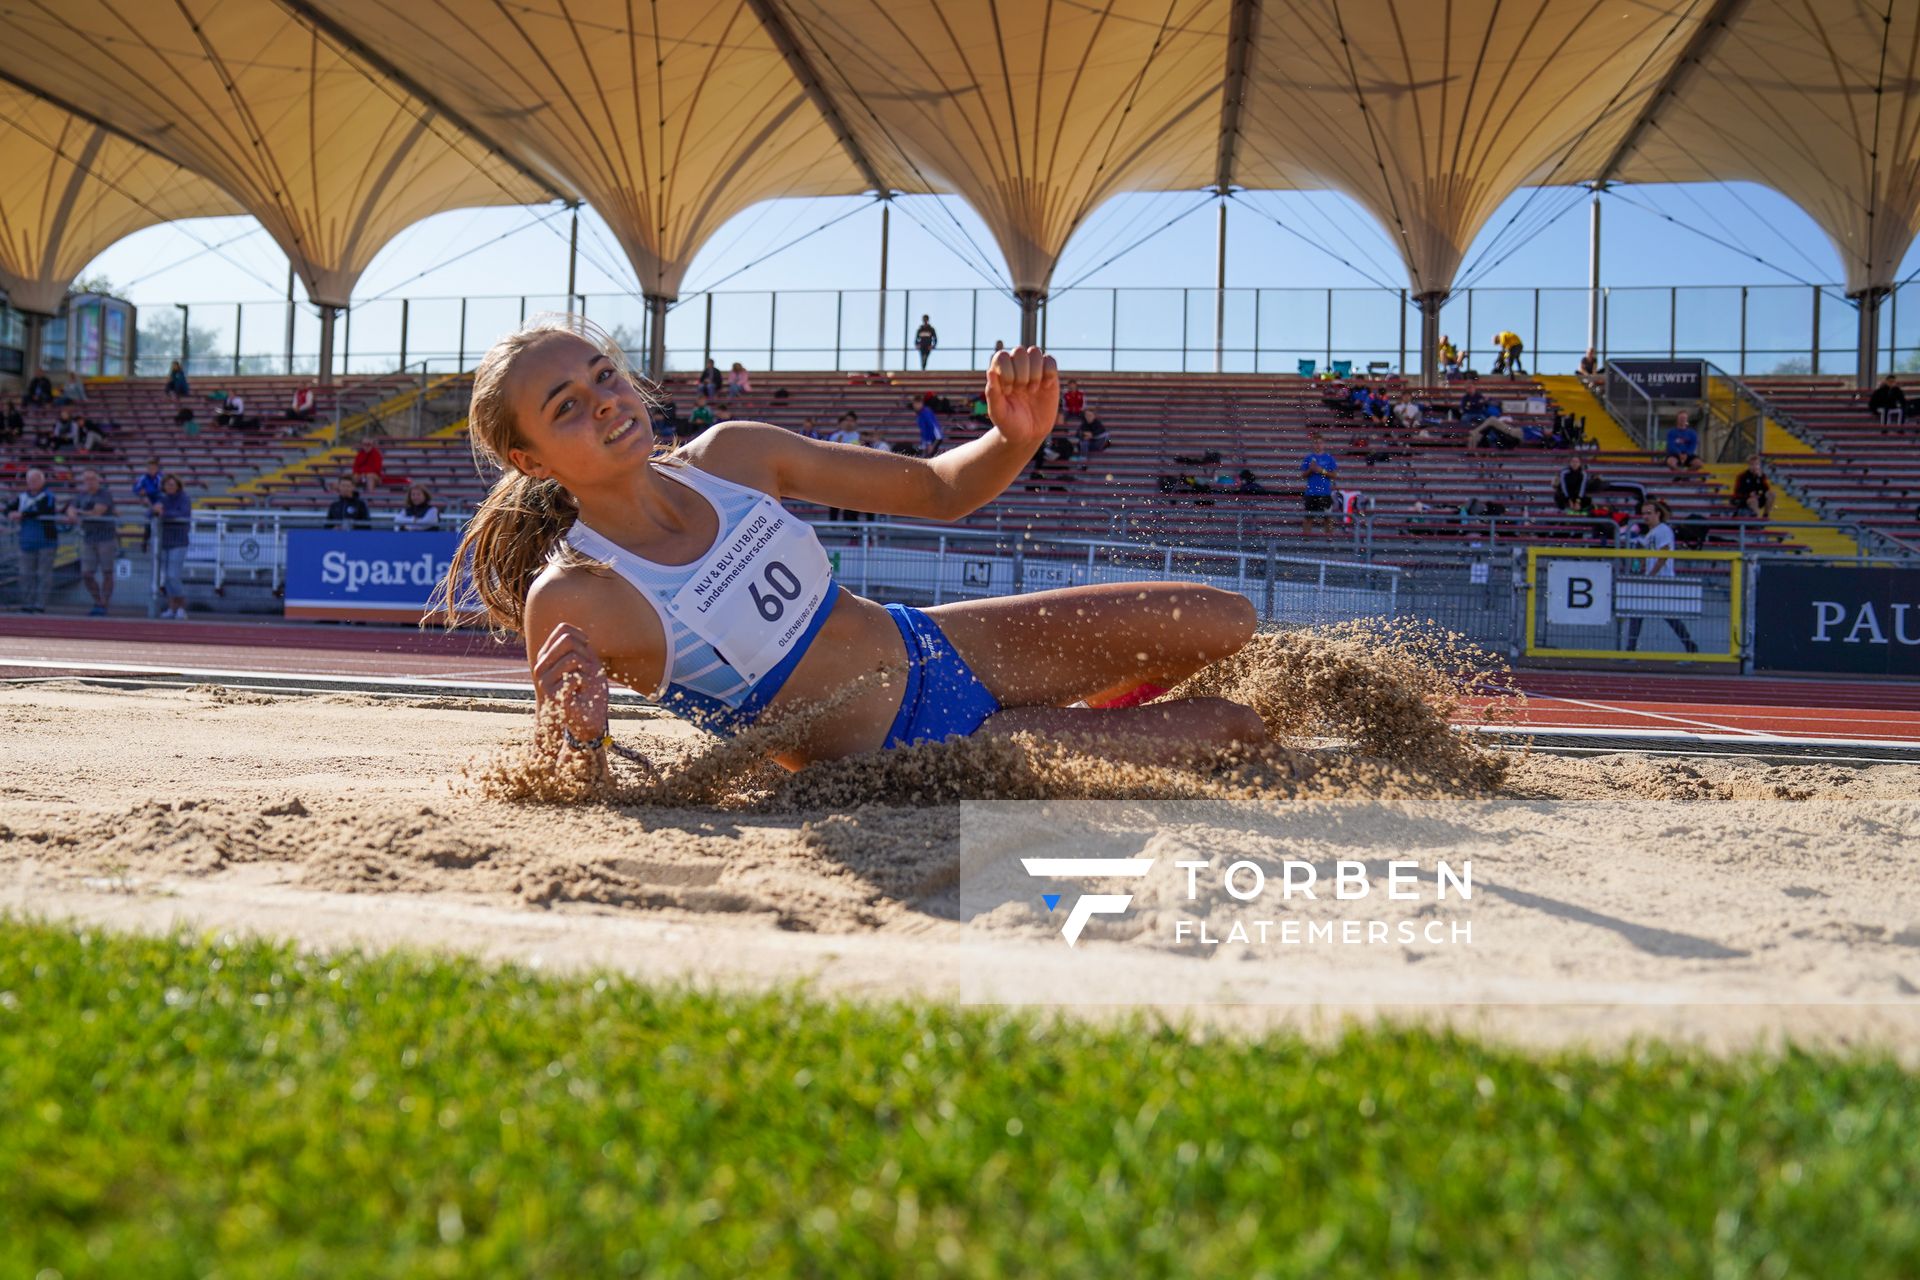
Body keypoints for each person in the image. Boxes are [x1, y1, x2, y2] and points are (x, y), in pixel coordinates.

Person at [433, 315, 1265, 779]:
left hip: (938, 645)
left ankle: (1075, 714)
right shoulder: (576, 596)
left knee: (1225, 618)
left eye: (603, 374)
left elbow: (938, 489)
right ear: (530, 460)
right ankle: (1051, 731)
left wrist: (1014, 439)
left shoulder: (733, 456)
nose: (606, 402)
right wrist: (579, 738)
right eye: (567, 406)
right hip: (913, 755)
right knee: (1233, 728)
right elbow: (566, 777)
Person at [1621, 499, 1698, 654]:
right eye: (1643, 513)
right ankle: (1630, 649)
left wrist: (1651, 575)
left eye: (1649, 513)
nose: (1645, 516)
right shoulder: (1651, 533)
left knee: (1667, 616)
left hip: (1661, 580)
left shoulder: (1662, 530)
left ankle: (1690, 646)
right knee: (1638, 613)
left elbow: (1663, 555)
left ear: (1658, 514)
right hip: (1653, 579)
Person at [65, 469, 120, 615]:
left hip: (106, 538)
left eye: (92, 479)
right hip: (88, 537)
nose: (89, 482)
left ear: (98, 480)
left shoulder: (105, 495)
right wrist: (72, 513)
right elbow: (70, 508)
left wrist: (78, 513)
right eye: (86, 479)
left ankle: (105, 604)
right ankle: (98, 601)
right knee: (87, 573)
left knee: (107, 572)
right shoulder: (81, 495)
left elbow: (97, 512)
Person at [9, 469, 60, 612]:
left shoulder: (48, 495)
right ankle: (27, 603)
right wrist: (11, 513)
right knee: (25, 574)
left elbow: (45, 510)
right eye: (30, 480)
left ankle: (40, 604)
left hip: (46, 541)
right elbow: (9, 508)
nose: (32, 483)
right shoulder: (23, 496)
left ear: (42, 481)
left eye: (35, 480)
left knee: (43, 574)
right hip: (26, 541)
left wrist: (23, 514)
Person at [151, 475, 193, 619]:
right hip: (164, 541)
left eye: (172, 484)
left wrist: (164, 514)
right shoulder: (162, 498)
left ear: (178, 486)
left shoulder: (184, 498)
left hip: (179, 541)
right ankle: (171, 608)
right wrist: (154, 511)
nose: (169, 487)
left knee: (173, 575)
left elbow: (183, 514)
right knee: (166, 578)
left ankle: (181, 607)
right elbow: (150, 512)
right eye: (167, 484)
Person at [1299, 429, 1338, 535]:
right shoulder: (1308, 458)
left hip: (1325, 492)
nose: (1318, 445)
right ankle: (1306, 540)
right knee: (1308, 518)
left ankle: (1329, 540)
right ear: (1312, 444)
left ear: (1323, 444)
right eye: (1315, 442)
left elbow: (1334, 475)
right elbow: (1303, 475)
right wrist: (1311, 470)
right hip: (1311, 492)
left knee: (1328, 518)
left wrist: (1322, 471)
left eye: (1320, 443)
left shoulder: (1329, 458)